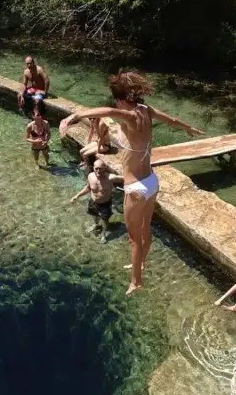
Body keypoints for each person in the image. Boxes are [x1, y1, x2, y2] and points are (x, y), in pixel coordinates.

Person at [59, 71, 204, 295]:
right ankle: (141, 264)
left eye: (116, 99)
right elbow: (172, 121)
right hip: (152, 181)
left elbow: (107, 111)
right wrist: (187, 128)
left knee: (134, 239)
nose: (115, 104)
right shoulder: (146, 110)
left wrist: (73, 117)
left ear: (121, 98)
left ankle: (136, 281)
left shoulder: (128, 116)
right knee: (145, 229)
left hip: (135, 187)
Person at [69, 159, 122, 243]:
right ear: (93, 168)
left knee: (104, 221)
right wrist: (77, 196)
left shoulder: (110, 178)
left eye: (100, 168)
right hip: (93, 202)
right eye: (96, 168)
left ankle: (104, 234)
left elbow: (126, 178)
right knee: (93, 215)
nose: (98, 170)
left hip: (105, 204)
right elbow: (88, 188)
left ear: (105, 168)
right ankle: (96, 225)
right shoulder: (90, 176)